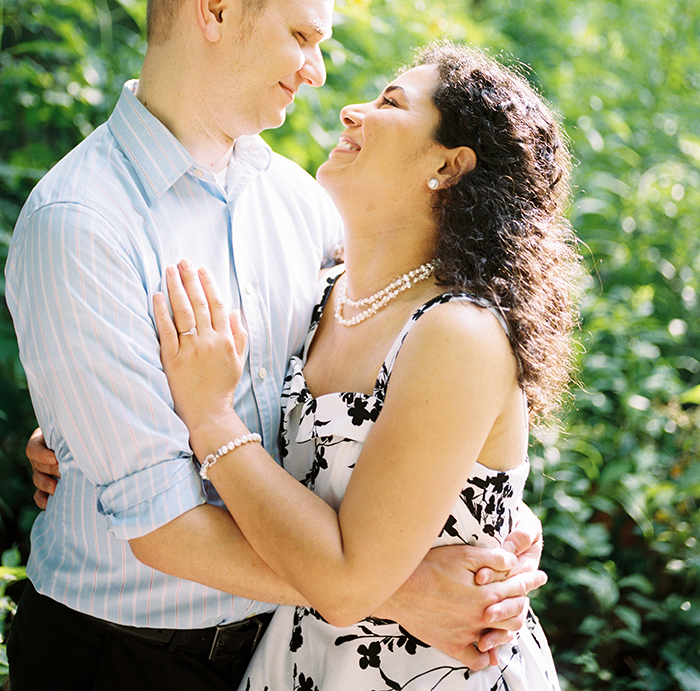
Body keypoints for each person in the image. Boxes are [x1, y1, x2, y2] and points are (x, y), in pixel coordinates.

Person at [6, 0, 545, 691]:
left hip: (276, 651)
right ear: (215, 7)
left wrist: (493, 513)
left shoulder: (304, 204)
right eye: (301, 34)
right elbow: (162, 526)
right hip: (119, 656)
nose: (319, 70)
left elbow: (403, 392)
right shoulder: (80, 221)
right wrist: (399, 593)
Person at [154, 42, 579, 690]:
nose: (353, 110)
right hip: (297, 659)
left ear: (447, 163)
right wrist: (77, 441)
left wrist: (210, 419)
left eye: (390, 102)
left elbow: (348, 583)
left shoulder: (458, 331)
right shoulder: (324, 288)